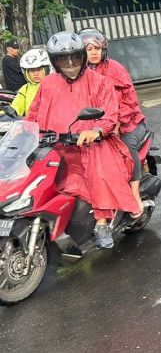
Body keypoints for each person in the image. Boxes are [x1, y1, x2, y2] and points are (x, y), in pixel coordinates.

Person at [27, 32, 140, 249]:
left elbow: (109, 115)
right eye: (63, 59)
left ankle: (101, 222)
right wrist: (21, 129)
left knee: (98, 171)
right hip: (58, 143)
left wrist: (96, 130)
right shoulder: (48, 83)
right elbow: (34, 112)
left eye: (75, 58)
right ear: (54, 61)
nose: (70, 64)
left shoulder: (100, 81)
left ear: (82, 57)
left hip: (92, 143)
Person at [80, 29, 148, 218]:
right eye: (88, 49)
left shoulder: (115, 69)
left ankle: (134, 194)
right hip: (96, 127)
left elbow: (130, 100)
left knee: (127, 147)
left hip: (129, 124)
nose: (93, 52)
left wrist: (117, 120)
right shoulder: (79, 74)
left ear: (104, 50)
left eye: (97, 48)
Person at [10, 48, 50, 116]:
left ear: (46, 69)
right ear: (26, 72)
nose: (36, 74)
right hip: (30, 124)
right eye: (32, 70)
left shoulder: (53, 86)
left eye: (39, 69)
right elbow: (16, 107)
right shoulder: (25, 89)